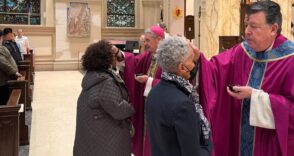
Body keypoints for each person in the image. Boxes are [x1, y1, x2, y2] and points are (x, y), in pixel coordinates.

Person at [193, 0, 294, 156]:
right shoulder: (242, 51)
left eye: (253, 27)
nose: (247, 31)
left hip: (269, 145)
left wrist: (255, 96)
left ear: (273, 29)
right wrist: (196, 59)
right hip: (239, 142)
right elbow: (214, 70)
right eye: (246, 25)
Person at [146, 36, 212, 156]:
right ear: (182, 67)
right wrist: (208, 146)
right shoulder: (183, 105)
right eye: (192, 61)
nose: (194, 65)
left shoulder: (154, 92)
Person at [73, 40, 135, 156]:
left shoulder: (92, 75)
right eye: (113, 56)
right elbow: (118, 110)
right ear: (106, 59)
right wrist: (133, 106)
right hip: (105, 137)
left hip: (91, 132)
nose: (115, 59)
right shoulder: (106, 82)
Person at [115, 25, 165, 156]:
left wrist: (149, 81)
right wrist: (119, 54)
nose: (145, 44)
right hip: (147, 104)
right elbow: (134, 61)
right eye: (145, 41)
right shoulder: (149, 55)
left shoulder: (168, 58)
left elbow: (174, 83)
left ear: (159, 39)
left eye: (148, 41)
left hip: (162, 107)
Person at [0, 29, 23, 105]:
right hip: (3, 80)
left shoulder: (4, 46)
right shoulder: (3, 46)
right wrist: (14, 72)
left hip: (6, 78)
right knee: (4, 101)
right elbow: (3, 62)